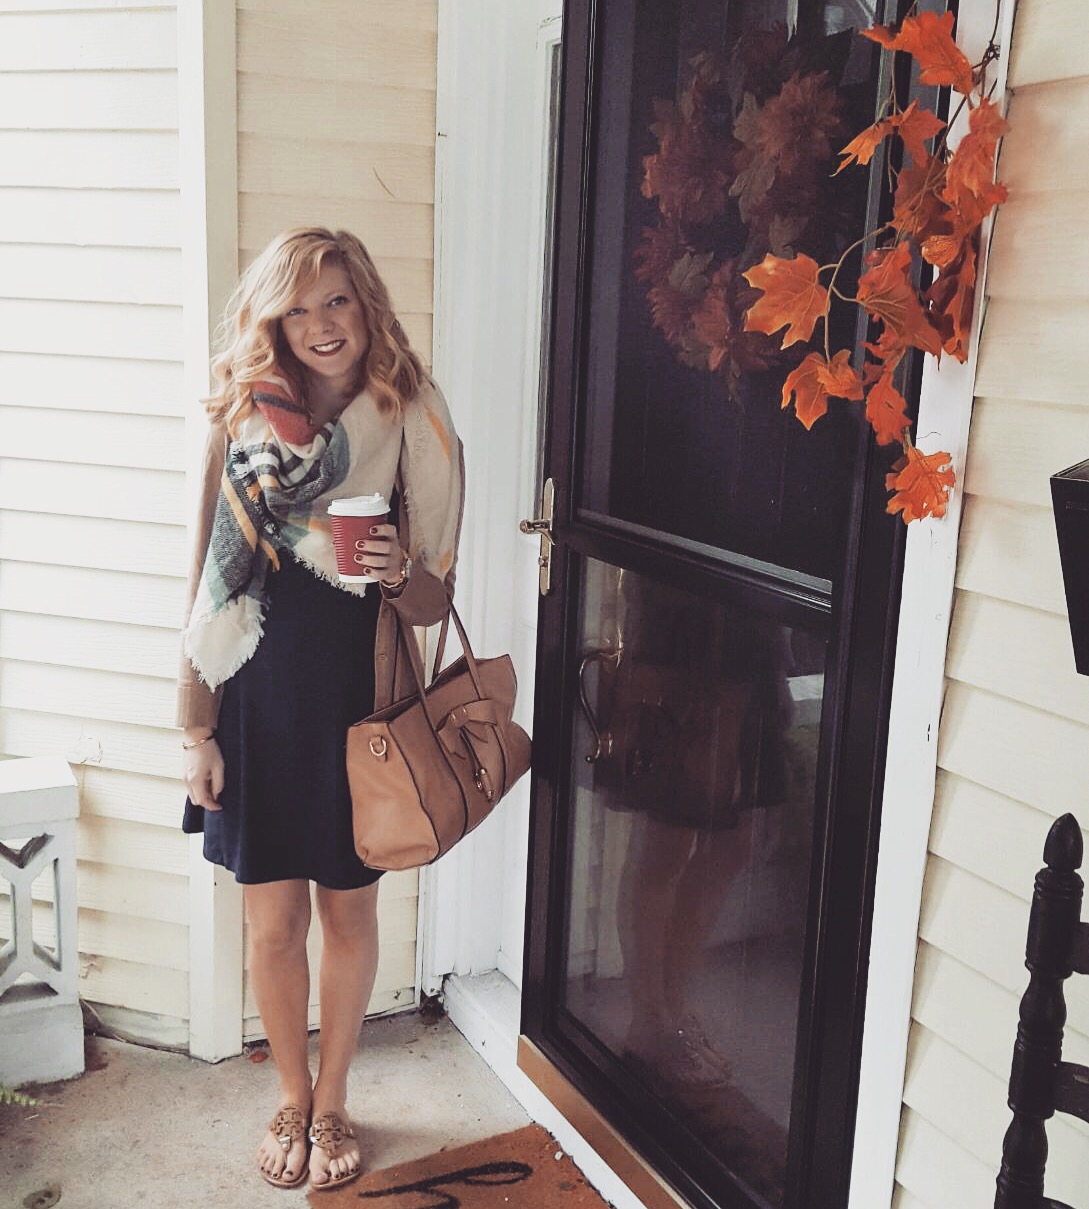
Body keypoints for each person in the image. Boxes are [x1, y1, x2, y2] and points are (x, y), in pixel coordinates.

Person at [177, 228, 463, 1192]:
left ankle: (335, 1097)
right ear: (274, 320)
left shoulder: (410, 412)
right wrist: (196, 727)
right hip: (255, 701)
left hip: (358, 705)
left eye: (335, 300)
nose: (319, 324)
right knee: (270, 925)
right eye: (297, 308)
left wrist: (400, 570)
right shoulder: (244, 415)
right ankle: (291, 1094)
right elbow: (205, 582)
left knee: (347, 912)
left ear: (365, 302)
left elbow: (434, 599)